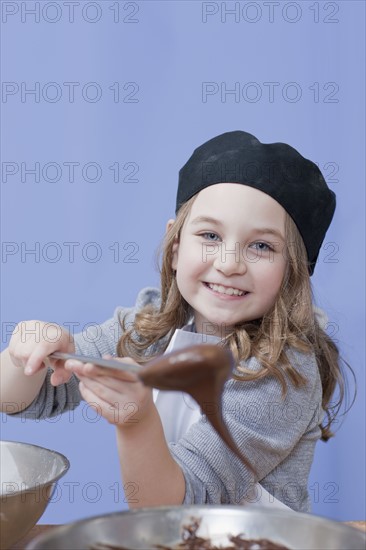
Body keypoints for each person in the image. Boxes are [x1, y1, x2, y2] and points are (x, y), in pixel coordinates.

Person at [0, 130, 348, 512]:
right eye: (210, 235)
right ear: (175, 248)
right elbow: (22, 397)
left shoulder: (283, 373)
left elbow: (175, 507)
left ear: (293, 271)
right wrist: (25, 359)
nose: (229, 263)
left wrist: (137, 423)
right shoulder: (148, 329)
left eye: (261, 246)